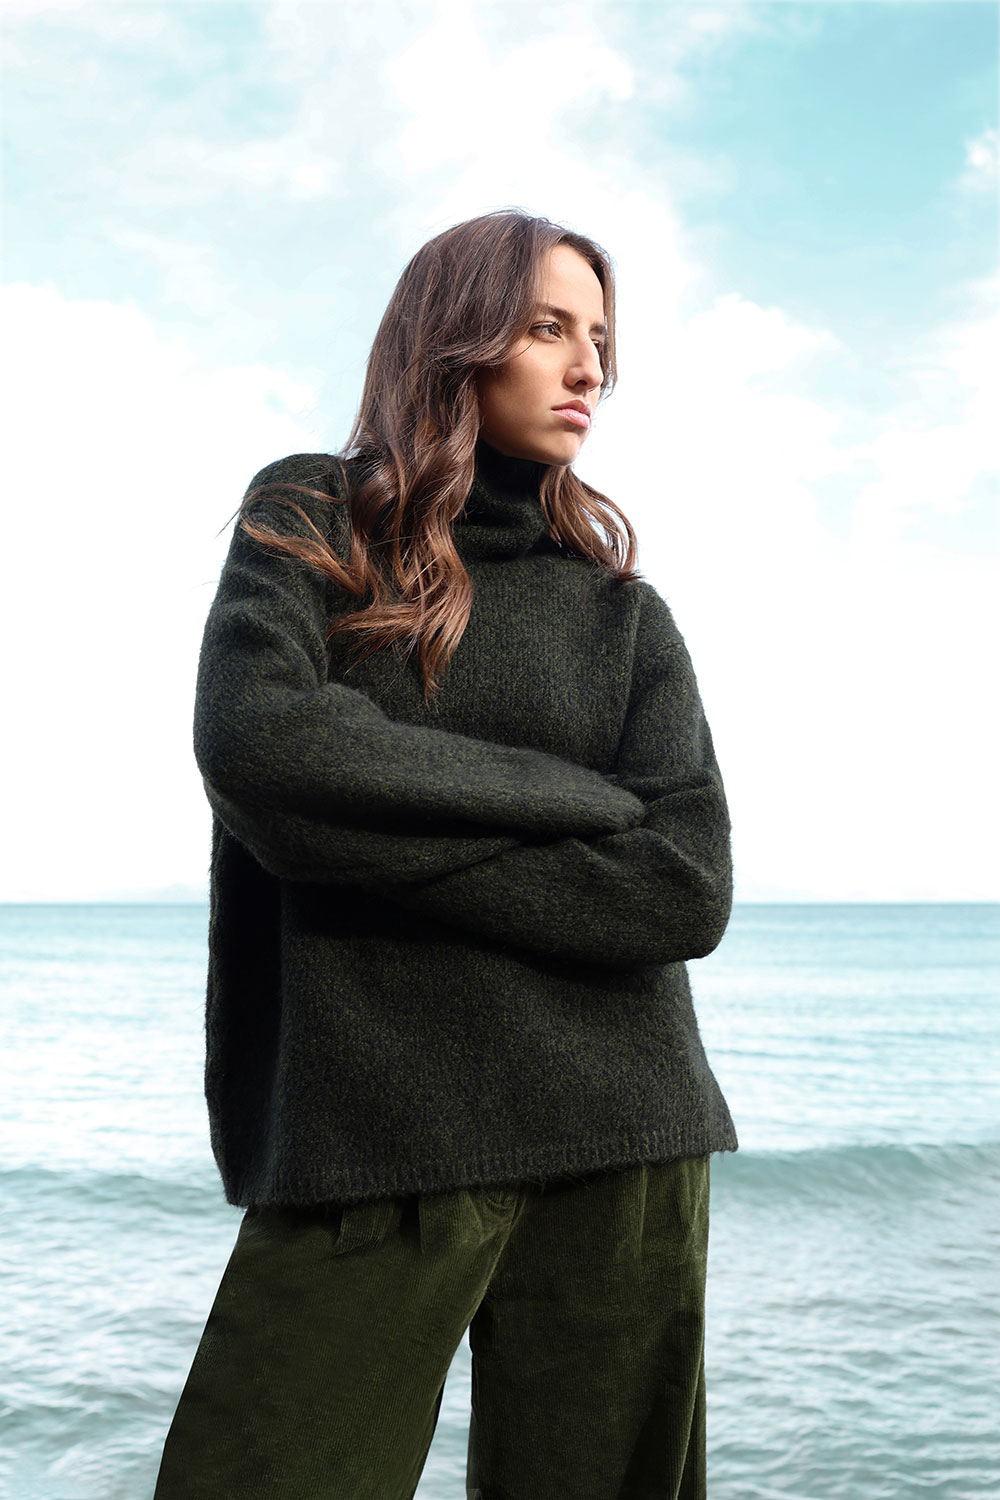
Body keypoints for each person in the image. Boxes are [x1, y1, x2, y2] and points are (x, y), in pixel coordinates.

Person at [152, 207, 738, 1500]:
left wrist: (359, 843)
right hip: (375, 1130)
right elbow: (260, 747)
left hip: (623, 1132)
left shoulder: (625, 616)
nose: (589, 368)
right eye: (548, 328)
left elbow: (683, 889)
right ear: (455, 340)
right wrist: (563, 798)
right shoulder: (311, 516)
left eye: (601, 339)